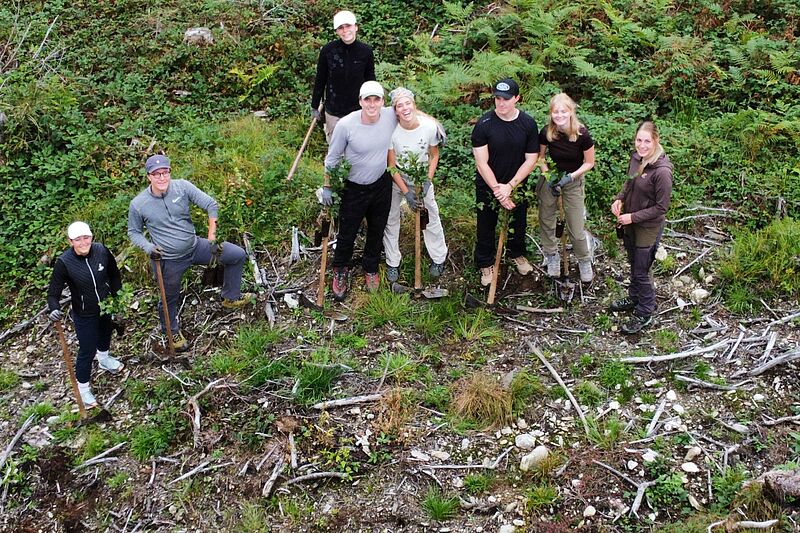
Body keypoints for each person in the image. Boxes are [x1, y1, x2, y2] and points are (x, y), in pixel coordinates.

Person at [128, 155, 252, 351]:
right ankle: (171, 332)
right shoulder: (139, 204)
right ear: (148, 176)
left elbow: (211, 204)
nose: (162, 177)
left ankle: (230, 297)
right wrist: (149, 247)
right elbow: (134, 232)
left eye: (165, 172)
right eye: (156, 174)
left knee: (236, 255)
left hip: (195, 247)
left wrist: (212, 236)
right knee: (169, 297)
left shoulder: (182, 187)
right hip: (168, 259)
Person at [321, 80, 397, 301]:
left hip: (381, 183)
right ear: (360, 101)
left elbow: (411, 110)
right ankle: (340, 269)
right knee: (348, 231)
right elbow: (332, 159)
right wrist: (328, 187)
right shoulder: (346, 125)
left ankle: (370, 267)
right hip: (353, 188)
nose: (372, 104)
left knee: (377, 228)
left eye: (376, 99)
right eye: (367, 99)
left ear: (383, 101)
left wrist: (435, 127)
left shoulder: (390, 116)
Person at [471, 78, 539, 287]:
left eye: (506, 99)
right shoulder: (484, 124)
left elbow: (532, 159)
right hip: (488, 184)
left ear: (517, 98)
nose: (501, 103)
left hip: (517, 185)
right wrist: (498, 191)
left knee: (519, 222)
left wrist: (510, 186)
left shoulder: (528, 124)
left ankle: (516, 253)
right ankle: (485, 262)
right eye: (498, 99)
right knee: (485, 224)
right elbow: (481, 163)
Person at [47, 221, 123, 408]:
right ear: (70, 241)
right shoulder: (64, 262)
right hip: (84, 313)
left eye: (86, 237)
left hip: (105, 306)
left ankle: (104, 359)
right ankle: (83, 389)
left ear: (91, 237)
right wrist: (54, 308)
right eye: (78, 239)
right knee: (87, 349)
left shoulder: (101, 251)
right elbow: (53, 293)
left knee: (106, 333)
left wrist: (117, 298)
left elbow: (114, 275)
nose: (83, 243)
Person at [610, 121, 673, 334]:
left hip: (648, 226)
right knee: (633, 261)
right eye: (639, 140)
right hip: (630, 220)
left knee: (641, 269)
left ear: (656, 141)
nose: (642, 145)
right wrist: (619, 199)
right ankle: (634, 297)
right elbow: (630, 183)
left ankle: (645, 311)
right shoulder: (637, 158)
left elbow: (661, 207)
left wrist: (633, 217)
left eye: (647, 141)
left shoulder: (662, 171)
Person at [382, 87, 448, 282]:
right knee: (391, 217)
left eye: (407, 103)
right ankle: (393, 262)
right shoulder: (392, 131)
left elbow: (434, 155)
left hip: (421, 179)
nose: (405, 108)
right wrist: (406, 193)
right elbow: (391, 166)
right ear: (395, 110)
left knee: (431, 215)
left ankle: (438, 257)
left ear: (414, 104)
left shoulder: (429, 127)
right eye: (399, 106)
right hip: (398, 179)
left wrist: (427, 180)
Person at [537, 93, 596, 282]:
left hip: (573, 180)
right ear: (551, 113)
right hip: (552, 178)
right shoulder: (547, 132)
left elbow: (589, 163)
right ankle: (551, 255)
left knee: (576, 227)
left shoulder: (582, 134)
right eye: (556, 112)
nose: (559, 115)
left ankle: (584, 260)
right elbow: (540, 158)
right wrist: (549, 176)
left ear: (571, 112)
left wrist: (569, 177)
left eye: (563, 111)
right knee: (546, 219)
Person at [311, 10, 376, 143]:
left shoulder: (366, 51)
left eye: (348, 26)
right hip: (334, 111)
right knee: (336, 146)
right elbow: (320, 79)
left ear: (356, 27)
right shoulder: (328, 50)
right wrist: (314, 106)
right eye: (341, 27)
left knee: (357, 146)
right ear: (336, 31)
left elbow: (370, 80)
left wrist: (373, 103)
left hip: (358, 110)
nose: (345, 30)